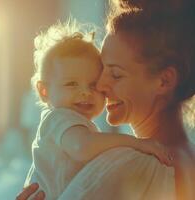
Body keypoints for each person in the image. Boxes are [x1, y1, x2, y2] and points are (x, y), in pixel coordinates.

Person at [16, 0, 195, 199]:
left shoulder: (131, 164)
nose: (99, 86)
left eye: (116, 74)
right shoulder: (188, 157)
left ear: (164, 81)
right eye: (101, 71)